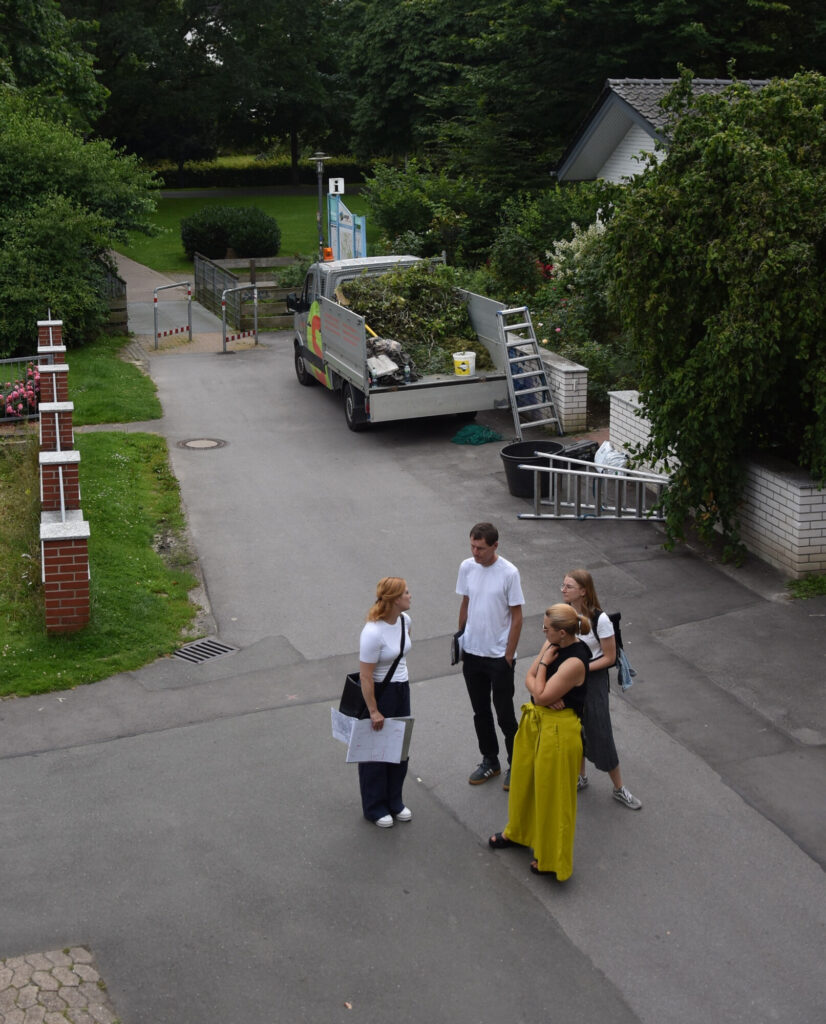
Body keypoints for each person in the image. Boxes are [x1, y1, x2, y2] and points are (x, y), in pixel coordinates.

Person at [488, 604, 590, 879]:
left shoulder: (575, 661)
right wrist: (541, 688)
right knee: (524, 783)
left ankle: (552, 858)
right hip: (537, 724)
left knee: (554, 798)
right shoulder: (552, 641)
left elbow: (541, 694)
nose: (543, 631)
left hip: (560, 732)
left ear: (563, 633)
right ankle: (519, 833)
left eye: (547, 628)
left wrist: (543, 667)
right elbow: (530, 682)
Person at [561, 569, 642, 810]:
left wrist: (583, 668)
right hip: (570, 678)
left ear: (583, 591)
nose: (563, 590)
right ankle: (580, 777)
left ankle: (619, 788)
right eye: (563, 585)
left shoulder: (600, 620)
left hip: (592, 680)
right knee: (574, 729)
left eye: (568, 586)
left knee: (600, 732)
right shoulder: (565, 614)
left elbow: (609, 657)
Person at [456, 522, 524, 789]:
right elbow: (465, 603)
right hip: (472, 654)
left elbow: (517, 618)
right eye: (472, 546)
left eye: (481, 548)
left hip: (499, 657)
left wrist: (508, 655)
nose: (475, 552)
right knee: (480, 711)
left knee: (505, 713)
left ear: (495, 546)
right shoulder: (467, 567)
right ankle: (490, 761)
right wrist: (461, 639)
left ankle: (516, 763)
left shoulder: (509, 573)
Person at [357, 577, 413, 828]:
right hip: (381, 692)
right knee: (376, 751)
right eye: (406, 593)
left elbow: (400, 657)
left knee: (399, 748)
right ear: (394, 600)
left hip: (402, 689)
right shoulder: (372, 632)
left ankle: (394, 800)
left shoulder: (405, 621)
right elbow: (366, 676)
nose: (410, 596)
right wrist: (373, 710)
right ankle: (374, 806)